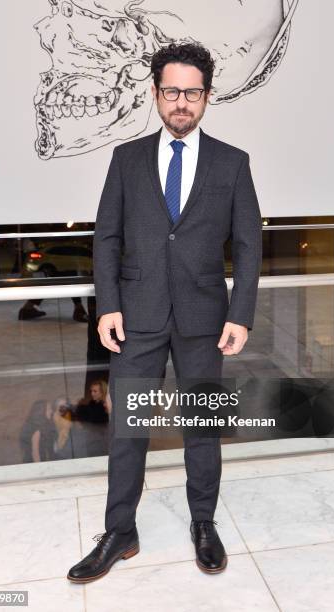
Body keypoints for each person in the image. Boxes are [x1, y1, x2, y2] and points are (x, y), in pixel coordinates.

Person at [67, 42, 262, 583]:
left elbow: (248, 245)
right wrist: (107, 305)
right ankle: (119, 531)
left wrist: (240, 313)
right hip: (137, 315)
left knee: (202, 426)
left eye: (192, 92)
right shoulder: (126, 159)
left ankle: (204, 522)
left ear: (207, 97)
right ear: (155, 93)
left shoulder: (232, 162)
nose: (182, 102)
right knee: (129, 429)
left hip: (205, 318)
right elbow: (107, 237)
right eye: (172, 91)